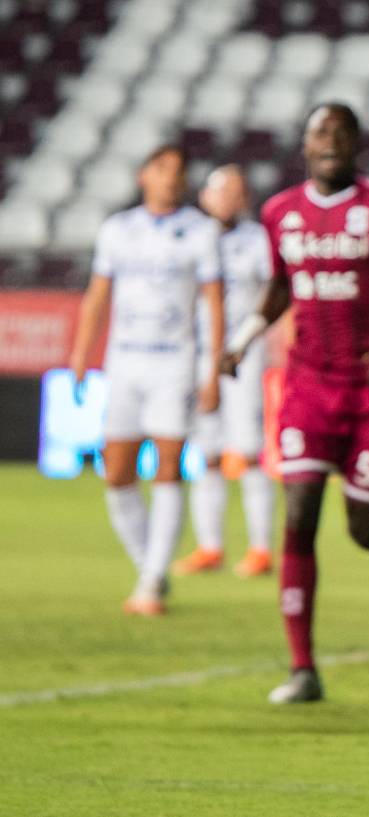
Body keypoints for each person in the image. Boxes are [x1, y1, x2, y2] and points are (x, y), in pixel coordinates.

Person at [220, 103, 369, 704]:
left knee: (362, 524)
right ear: (305, 143)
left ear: (357, 145)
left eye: (342, 134)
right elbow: (278, 286)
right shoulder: (279, 213)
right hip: (307, 388)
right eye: (321, 133)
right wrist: (239, 342)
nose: (331, 143)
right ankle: (302, 667)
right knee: (298, 517)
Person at [68, 144, 224, 615]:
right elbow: (98, 296)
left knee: (169, 466)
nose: (171, 179)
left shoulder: (201, 231)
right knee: (116, 472)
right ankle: (147, 565)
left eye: (178, 171)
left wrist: (212, 368)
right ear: (144, 175)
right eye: (162, 169)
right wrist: (80, 353)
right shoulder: (119, 230)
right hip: (124, 362)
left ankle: (153, 579)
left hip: (174, 362)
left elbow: (214, 303)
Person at [174, 165, 276, 578]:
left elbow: (274, 290)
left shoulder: (257, 240)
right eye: (223, 191)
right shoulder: (190, 237)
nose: (230, 198)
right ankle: (210, 546)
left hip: (241, 355)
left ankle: (260, 548)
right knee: (208, 453)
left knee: (249, 452)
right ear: (205, 197)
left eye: (238, 191)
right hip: (196, 354)